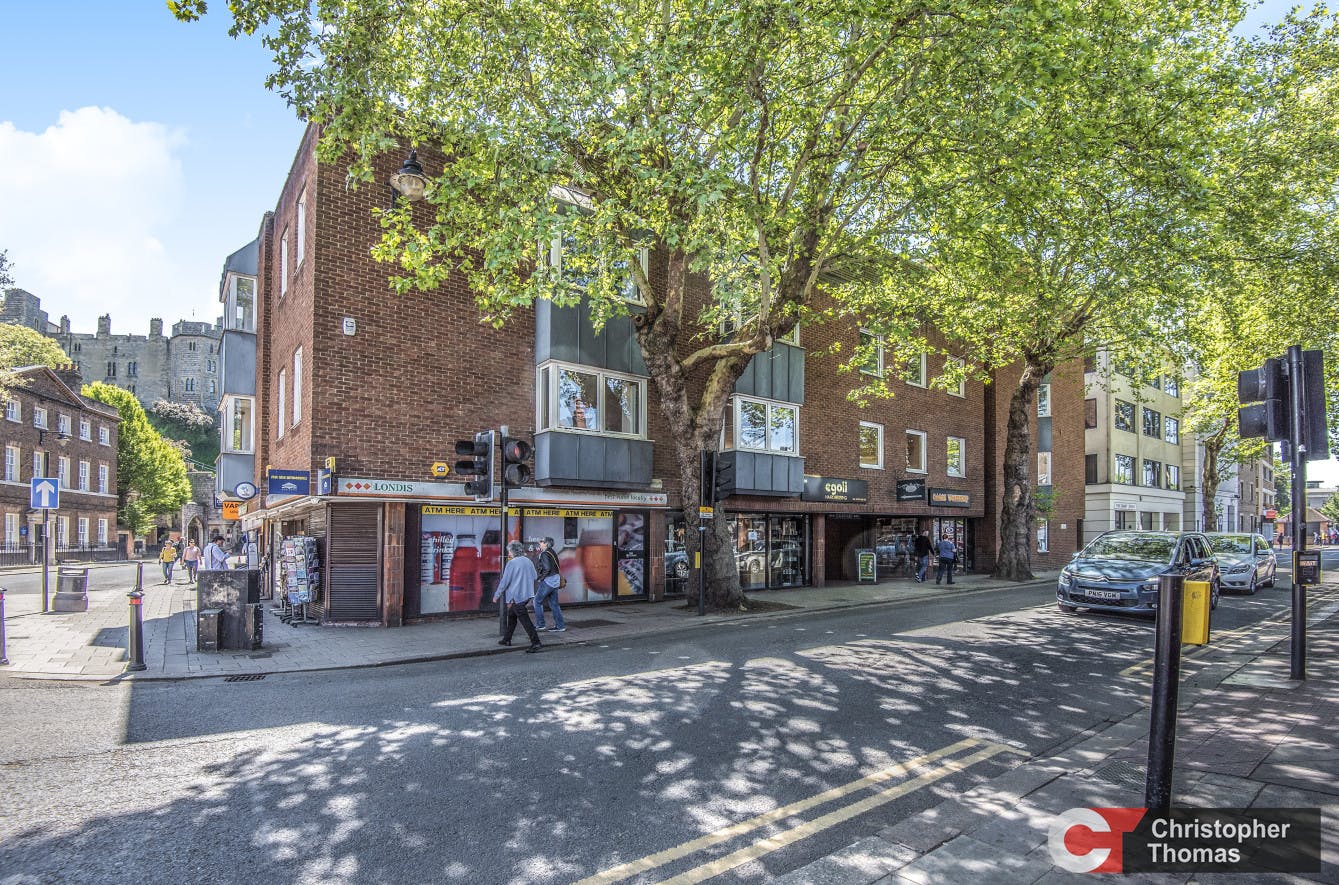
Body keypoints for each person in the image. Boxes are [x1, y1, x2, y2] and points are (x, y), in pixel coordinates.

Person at [494, 540, 542, 652]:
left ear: (513, 551)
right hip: (527, 594)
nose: (509, 553)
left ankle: (536, 642)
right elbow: (535, 576)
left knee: (525, 620)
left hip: (516, 596)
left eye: (509, 551)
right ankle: (507, 639)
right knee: (512, 616)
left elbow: (505, 582)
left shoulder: (512, 563)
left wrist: (497, 595)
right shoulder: (528, 561)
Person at [532, 537, 566, 632]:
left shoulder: (544, 554)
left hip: (548, 581)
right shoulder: (552, 552)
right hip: (555, 580)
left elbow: (547, 568)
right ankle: (560, 626)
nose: (539, 543)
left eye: (541, 541)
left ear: (546, 544)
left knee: (537, 601)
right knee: (554, 604)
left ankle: (540, 624)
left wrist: (541, 578)